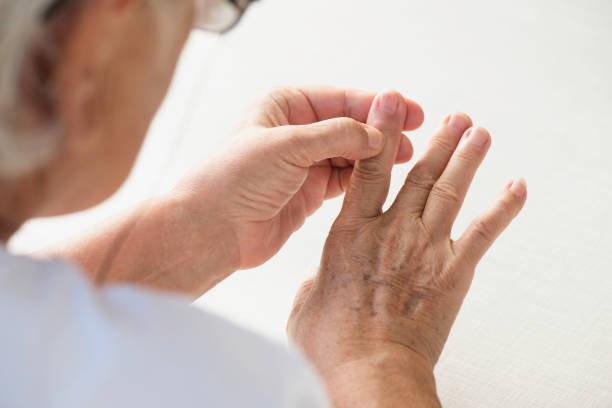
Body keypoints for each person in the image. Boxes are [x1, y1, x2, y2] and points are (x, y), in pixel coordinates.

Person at [0, 0, 527, 407]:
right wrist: (376, 361)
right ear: (97, 43)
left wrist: (195, 230)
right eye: (200, 9)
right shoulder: (212, 387)